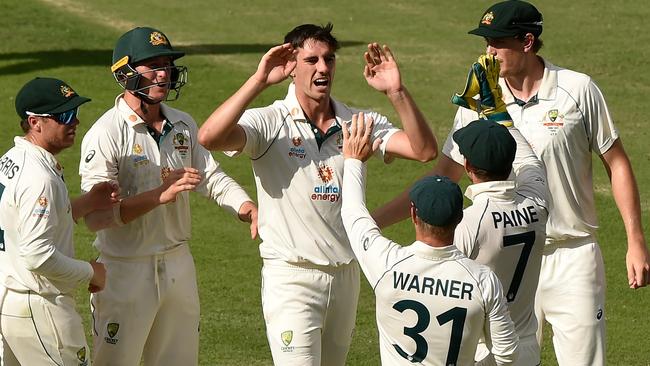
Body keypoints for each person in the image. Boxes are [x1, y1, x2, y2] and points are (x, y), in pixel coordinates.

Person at [372, 1, 650, 365]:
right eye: (486, 42)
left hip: (571, 255)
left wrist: (635, 240)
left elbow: (617, 163)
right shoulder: (477, 102)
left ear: (527, 42)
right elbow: (442, 177)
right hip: (503, 258)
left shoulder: (577, 90)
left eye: (497, 42)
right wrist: (374, 220)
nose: (488, 51)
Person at [197, 23, 436, 365]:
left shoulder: (358, 122)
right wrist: (259, 81)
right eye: (312, 60)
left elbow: (424, 150)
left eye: (329, 59)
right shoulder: (270, 122)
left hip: (346, 276)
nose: (323, 68)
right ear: (291, 66)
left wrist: (396, 92)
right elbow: (210, 137)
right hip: (292, 278)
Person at [78, 27, 258, 366]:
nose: (163, 73)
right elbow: (95, 217)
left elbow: (212, 178)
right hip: (125, 269)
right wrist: (158, 195)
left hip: (178, 265)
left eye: (167, 65)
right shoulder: (105, 133)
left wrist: (245, 206)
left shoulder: (183, 124)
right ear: (125, 72)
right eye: (153, 65)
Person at [340, 113, 518, 365]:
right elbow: (507, 354)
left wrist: (353, 160)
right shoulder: (483, 281)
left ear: (413, 214)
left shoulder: (386, 264)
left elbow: (353, 213)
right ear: (459, 218)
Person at [0, 77, 114, 365]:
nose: (73, 121)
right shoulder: (39, 178)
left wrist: (88, 203)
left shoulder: (11, 160)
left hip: (11, 301)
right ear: (35, 122)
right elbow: (37, 256)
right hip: (39, 308)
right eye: (63, 116)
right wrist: (91, 272)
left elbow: (23, 224)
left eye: (74, 112)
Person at [452, 119, 549, 365]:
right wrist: (501, 116)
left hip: (481, 353)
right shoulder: (537, 205)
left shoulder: (467, 222)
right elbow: (531, 162)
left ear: (468, 166)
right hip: (527, 351)